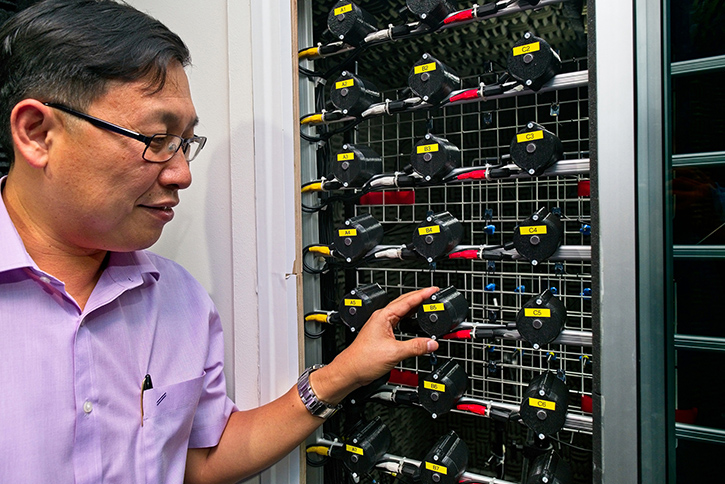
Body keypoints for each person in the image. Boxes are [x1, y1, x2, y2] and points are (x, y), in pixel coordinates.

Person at [0, 1, 439, 483]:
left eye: (185, 143)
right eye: (156, 139)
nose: (182, 174)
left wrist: (343, 373)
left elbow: (202, 459)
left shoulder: (180, 300)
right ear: (37, 133)